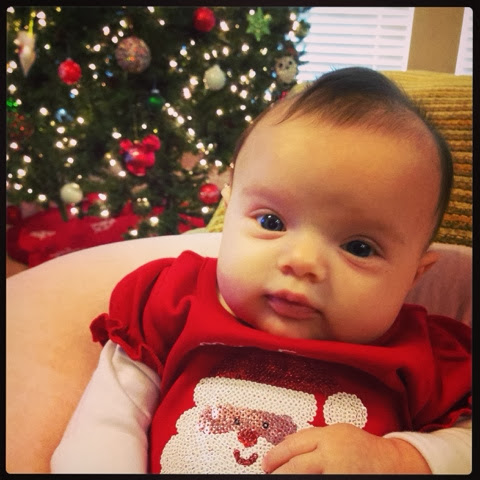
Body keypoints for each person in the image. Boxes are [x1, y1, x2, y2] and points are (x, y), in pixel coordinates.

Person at [51, 67, 471, 474]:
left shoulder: (427, 357)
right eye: (271, 222)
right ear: (230, 208)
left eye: (358, 247)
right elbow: (105, 424)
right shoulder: (175, 303)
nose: (302, 262)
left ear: (414, 276)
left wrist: (399, 459)